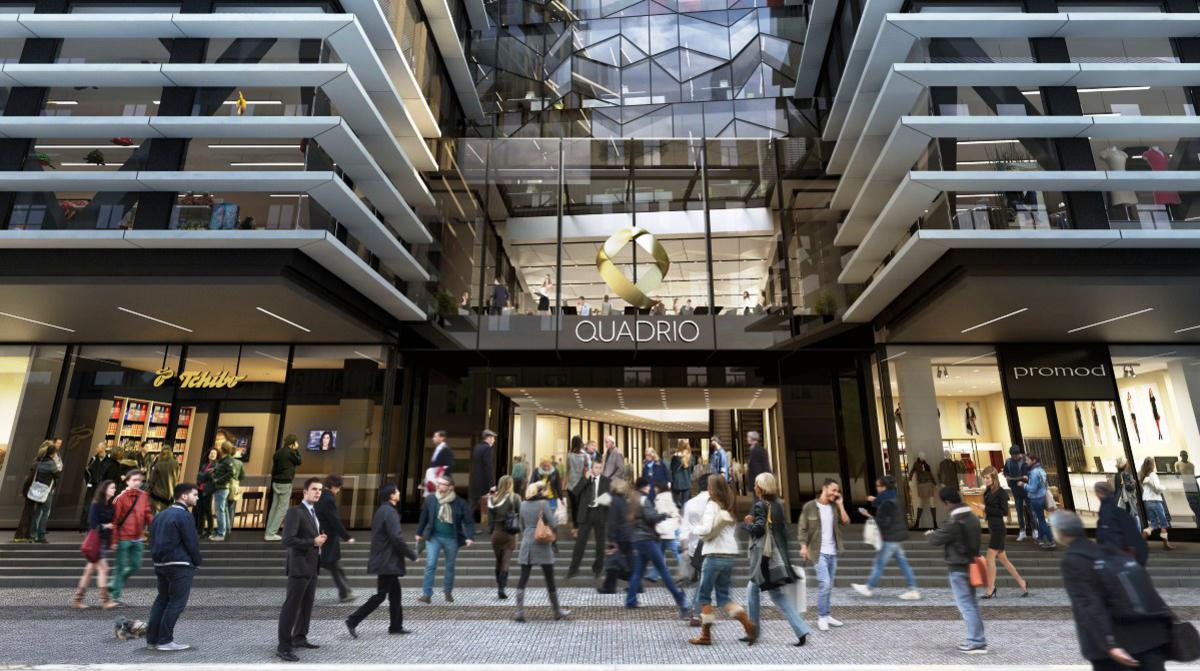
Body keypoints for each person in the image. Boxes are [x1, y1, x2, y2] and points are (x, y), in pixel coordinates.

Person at [1055, 510, 1173, 671]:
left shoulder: (1074, 560)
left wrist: (1109, 644)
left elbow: (1089, 604)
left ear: (1060, 533)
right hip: (1149, 637)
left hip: (1119, 646)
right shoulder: (1108, 550)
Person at [743, 473, 810, 647]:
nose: (754, 487)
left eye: (756, 484)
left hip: (764, 558)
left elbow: (759, 530)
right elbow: (780, 531)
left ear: (762, 487)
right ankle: (801, 629)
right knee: (775, 595)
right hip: (774, 556)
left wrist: (747, 524)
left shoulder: (760, 505)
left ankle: (753, 632)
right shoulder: (778, 505)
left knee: (753, 589)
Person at [345, 484, 417, 638]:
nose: (399, 493)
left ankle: (396, 626)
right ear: (391, 495)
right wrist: (411, 554)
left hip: (385, 560)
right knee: (381, 595)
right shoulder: (389, 512)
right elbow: (396, 537)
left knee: (395, 595)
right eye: (397, 491)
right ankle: (353, 620)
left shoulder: (382, 511)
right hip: (387, 561)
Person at [688, 475, 749, 645]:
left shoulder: (712, 504)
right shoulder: (729, 505)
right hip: (729, 555)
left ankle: (705, 636)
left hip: (714, 554)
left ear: (713, 488)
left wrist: (695, 528)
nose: (707, 488)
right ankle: (748, 624)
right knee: (724, 598)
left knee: (704, 597)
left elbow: (706, 529)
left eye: (709, 486)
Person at [926, 486, 986, 654]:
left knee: (966, 606)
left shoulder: (955, 521)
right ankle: (979, 639)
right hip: (972, 565)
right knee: (972, 604)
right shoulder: (973, 517)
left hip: (959, 567)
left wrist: (930, 534)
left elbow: (936, 540)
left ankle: (976, 641)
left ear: (947, 502)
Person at [623, 477, 691, 619]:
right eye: (648, 486)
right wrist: (665, 515)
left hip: (637, 540)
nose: (650, 488)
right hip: (648, 540)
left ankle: (630, 600)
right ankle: (681, 600)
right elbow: (651, 517)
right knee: (663, 570)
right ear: (644, 486)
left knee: (638, 571)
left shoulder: (632, 499)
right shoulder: (644, 500)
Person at [146, 482, 202, 652]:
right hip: (180, 564)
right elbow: (191, 542)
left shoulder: (160, 515)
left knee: (162, 600)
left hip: (161, 564)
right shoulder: (184, 516)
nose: (197, 498)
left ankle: (152, 640)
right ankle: (165, 641)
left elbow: (151, 540)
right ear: (184, 496)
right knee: (177, 603)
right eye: (194, 494)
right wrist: (197, 561)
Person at [276, 478, 327, 663]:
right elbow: (287, 540)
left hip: (312, 566)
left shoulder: (313, 512)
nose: (318, 492)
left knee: (306, 605)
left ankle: (299, 637)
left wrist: (320, 538)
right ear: (305, 492)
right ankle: (283, 647)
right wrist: (313, 541)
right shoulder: (295, 512)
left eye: (320, 490)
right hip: (299, 567)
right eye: (314, 489)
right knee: (291, 607)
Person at [852, 475, 921, 600]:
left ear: (884, 487)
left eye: (878, 486)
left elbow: (883, 522)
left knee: (879, 564)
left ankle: (869, 588)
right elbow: (885, 509)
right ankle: (913, 590)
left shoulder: (887, 502)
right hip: (895, 537)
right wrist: (875, 500)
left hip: (889, 538)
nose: (877, 488)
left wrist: (868, 515)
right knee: (903, 564)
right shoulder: (892, 497)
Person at [513, 481, 573, 622]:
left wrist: (530, 531)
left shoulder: (523, 504)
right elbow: (552, 523)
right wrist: (555, 518)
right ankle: (557, 612)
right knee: (549, 579)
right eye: (543, 490)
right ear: (539, 491)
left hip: (527, 543)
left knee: (523, 578)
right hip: (543, 544)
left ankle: (519, 612)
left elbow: (521, 526)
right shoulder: (543, 504)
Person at [798, 477, 849, 631]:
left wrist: (840, 505)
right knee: (825, 583)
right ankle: (821, 617)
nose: (836, 493)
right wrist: (803, 547)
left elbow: (845, 521)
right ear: (824, 488)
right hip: (818, 552)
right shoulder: (809, 506)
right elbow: (802, 528)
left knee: (829, 585)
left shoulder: (834, 507)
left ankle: (826, 615)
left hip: (833, 552)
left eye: (837, 491)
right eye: (833, 490)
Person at [415, 475, 474, 603]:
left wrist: (469, 537)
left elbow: (468, 522)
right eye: (438, 483)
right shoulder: (431, 499)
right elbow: (424, 517)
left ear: (450, 487)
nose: (438, 485)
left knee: (450, 565)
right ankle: (427, 594)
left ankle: (447, 591)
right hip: (433, 537)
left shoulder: (460, 503)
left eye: (442, 484)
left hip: (452, 538)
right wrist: (419, 533)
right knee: (430, 564)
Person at [971, 468, 1027, 599]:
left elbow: (1004, 512)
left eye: (987, 478)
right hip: (993, 528)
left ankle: (991, 588)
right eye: (984, 478)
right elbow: (990, 509)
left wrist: (985, 508)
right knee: (1003, 560)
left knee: (990, 559)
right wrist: (983, 509)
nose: (985, 480)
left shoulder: (1001, 492)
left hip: (998, 529)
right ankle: (1022, 582)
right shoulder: (988, 491)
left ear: (994, 478)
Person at [109, 468, 152, 605]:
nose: (137, 483)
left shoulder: (144, 495)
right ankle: (115, 596)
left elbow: (147, 513)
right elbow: (115, 521)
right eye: (134, 480)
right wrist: (114, 540)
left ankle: (114, 583)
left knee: (135, 565)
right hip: (123, 537)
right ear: (127, 481)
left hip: (138, 537)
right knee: (120, 566)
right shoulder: (120, 498)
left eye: (140, 480)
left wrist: (155, 526)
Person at [75, 479, 118, 610]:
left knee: (89, 571)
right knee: (104, 569)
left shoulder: (110, 506)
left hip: (102, 541)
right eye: (112, 488)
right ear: (105, 489)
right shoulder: (96, 504)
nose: (114, 490)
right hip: (96, 541)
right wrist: (106, 526)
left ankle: (78, 599)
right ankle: (105, 601)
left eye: (114, 488)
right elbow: (92, 524)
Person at [316, 474, 356, 602]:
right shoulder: (328, 499)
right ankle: (345, 593)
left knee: (335, 566)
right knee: (334, 566)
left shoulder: (321, 497)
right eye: (338, 488)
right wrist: (346, 537)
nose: (338, 490)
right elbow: (335, 521)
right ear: (333, 486)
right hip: (328, 538)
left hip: (322, 536)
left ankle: (346, 592)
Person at [568, 460, 608, 579]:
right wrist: (585, 479)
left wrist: (604, 500)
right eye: (596, 467)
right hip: (586, 514)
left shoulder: (606, 481)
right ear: (592, 468)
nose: (598, 470)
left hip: (599, 513)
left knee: (600, 544)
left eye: (600, 468)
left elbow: (610, 498)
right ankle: (573, 570)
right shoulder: (585, 479)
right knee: (580, 543)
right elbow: (575, 492)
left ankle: (597, 569)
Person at [1094, 480, 1148, 566]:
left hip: (1118, 563)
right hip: (1128, 562)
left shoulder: (1107, 513)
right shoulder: (1119, 512)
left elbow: (1109, 540)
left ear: (1099, 493)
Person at [488, 475, 522, 598]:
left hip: (496, 534)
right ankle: (501, 589)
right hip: (510, 534)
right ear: (510, 484)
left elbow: (490, 521)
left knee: (498, 561)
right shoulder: (515, 497)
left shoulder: (493, 499)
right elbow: (520, 514)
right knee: (505, 562)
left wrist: (492, 531)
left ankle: (499, 585)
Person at [265, 435, 302, 541]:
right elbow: (299, 461)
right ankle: (271, 533)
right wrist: (297, 450)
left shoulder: (278, 452)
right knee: (282, 509)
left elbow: (274, 469)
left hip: (276, 482)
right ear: (293, 443)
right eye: (296, 442)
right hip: (285, 483)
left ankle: (268, 532)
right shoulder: (291, 453)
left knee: (274, 508)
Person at [599, 477, 633, 594]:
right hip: (628, 534)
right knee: (628, 561)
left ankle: (609, 587)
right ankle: (636, 585)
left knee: (612, 562)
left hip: (619, 535)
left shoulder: (614, 500)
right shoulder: (624, 500)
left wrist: (611, 538)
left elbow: (612, 521)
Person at [28, 443, 61, 543]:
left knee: (37, 512)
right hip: (47, 491)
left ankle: (32, 535)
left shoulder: (41, 461)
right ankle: (41, 536)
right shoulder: (51, 464)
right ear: (53, 453)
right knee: (45, 513)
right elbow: (57, 475)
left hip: (37, 490)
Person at [1139, 456, 1174, 550]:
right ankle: (1166, 544)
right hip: (1155, 501)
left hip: (1147, 502)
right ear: (1152, 465)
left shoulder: (1143, 476)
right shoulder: (1153, 475)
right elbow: (1157, 488)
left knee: (1153, 524)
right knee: (1163, 522)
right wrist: (1165, 487)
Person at [81, 443, 118, 531]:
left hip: (103, 487)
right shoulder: (94, 459)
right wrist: (88, 482)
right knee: (88, 506)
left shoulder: (109, 461)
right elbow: (86, 471)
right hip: (92, 486)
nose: (96, 449)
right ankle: (84, 527)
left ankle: (97, 526)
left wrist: (107, 486)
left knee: (101, 506)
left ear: (103, 448)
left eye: (98, 447)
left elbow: (111, 474)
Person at [1002, 445, 1033, 541]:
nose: (1014, 457)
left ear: (1019, 453)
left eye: (1016, 455)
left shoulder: (1026, 460)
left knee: (1031, 510)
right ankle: (1022, 532)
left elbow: (1032, 471)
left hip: (1026, 488)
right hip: (1015, 489)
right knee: (1019, 511)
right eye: (1012, 455)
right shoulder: (1008, 461)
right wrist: (1007, 476)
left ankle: (1035, 530)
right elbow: (1005, 472)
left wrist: (1027, 477)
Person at [1024, 453, 1054, 550]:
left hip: (1036, 499)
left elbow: (1032, 489)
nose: (1026, 462)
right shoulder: (1041, 470)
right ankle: (1040, 538)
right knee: (1041, 519)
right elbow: (1042, 484)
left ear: (1033, 461)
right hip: (1042, 497)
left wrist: (1023, 485)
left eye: (1028, 460)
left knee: (1041, 521)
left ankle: (1051, 541)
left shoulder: (1033, 472)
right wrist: (1029, 479)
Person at [209, 442, 237, 541]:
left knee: (219, 511)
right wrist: (214, 470)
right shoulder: (224, 459)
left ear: (223, 449)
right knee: (221, 510)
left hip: (222, 488)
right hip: (219, 488)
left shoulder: (228, 460)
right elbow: (224, 470)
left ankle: (221, 533)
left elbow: (231, 473)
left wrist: (218, 480)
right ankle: (221, 531)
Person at [470, 430, 497, 523]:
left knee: (473, 504)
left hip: (475, 480)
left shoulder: (477, 447)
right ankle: (488, 525)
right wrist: (492, 484)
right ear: (488, 438)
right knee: (489, 504)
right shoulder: (487, 448)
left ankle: (465, 523)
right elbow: (488, 466)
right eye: (493, 438)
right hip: (484, 482)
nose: (494, 440)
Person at [194, 450, 217, 538]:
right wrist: (203, 475)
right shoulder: (204, 465)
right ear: (208, 455)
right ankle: (200, 531)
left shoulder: (215, 466)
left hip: (207, 491)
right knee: (200, 511)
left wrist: (203, 475)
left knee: (208, 511)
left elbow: (209, 477)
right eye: (211, 453)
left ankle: (210, 530)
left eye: (214, 454)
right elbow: (199, 477)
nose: (212, 455)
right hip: (200, 489)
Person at [148, 450, 179, 515]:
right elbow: (176, 478)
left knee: (154, 517)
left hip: (157, 497)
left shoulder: (158, 465)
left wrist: (149, 490)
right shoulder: (176, 464)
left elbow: (152, 481)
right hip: (169, 496)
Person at [566, 436, 588, 527]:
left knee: (573, 507)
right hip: (581, 484)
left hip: (571, 485)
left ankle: (575, 526)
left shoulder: (569, 455)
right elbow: (586, 469)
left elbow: (567, 469)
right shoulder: (585, 456)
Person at [1114, 456, 1141, 529]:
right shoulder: (1126, 474)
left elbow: (1117, 487)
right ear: (1125, 465)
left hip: (1119, 498)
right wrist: (1134, 483)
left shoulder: (1117, 475)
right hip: (1128, 499)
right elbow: (1128, 487)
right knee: (1135, 516)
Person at [1176, 450, 1200, 525]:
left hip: (1194, 484)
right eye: (1183, 455)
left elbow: (1192, 476)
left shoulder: (1191, 465)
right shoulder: (1178, 464)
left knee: (1198, 504)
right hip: (1187, 484)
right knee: (1194, 505)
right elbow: (1177, 476)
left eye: (1185, 455)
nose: (1184, 456)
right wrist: (1177, 474)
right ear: (1180, 456)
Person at [670, 440, 693, 509]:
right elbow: (691, 470)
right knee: (685, 505)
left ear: (679, 446)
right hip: (687, 483)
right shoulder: (690, 457)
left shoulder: (675, 457)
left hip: (676, 483)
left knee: (675, 505)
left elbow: (672, 469)